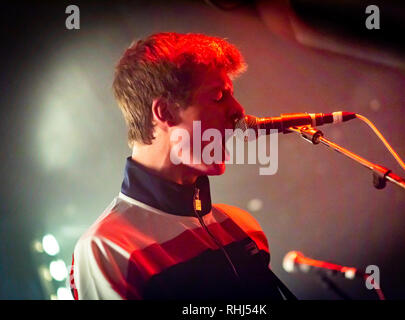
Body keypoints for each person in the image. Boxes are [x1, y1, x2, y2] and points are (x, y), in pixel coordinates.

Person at [70, 32, 295, 300]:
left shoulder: (243, 226)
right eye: (219, 96)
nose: (239, 111)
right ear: (164, 112)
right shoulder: (108, 249)